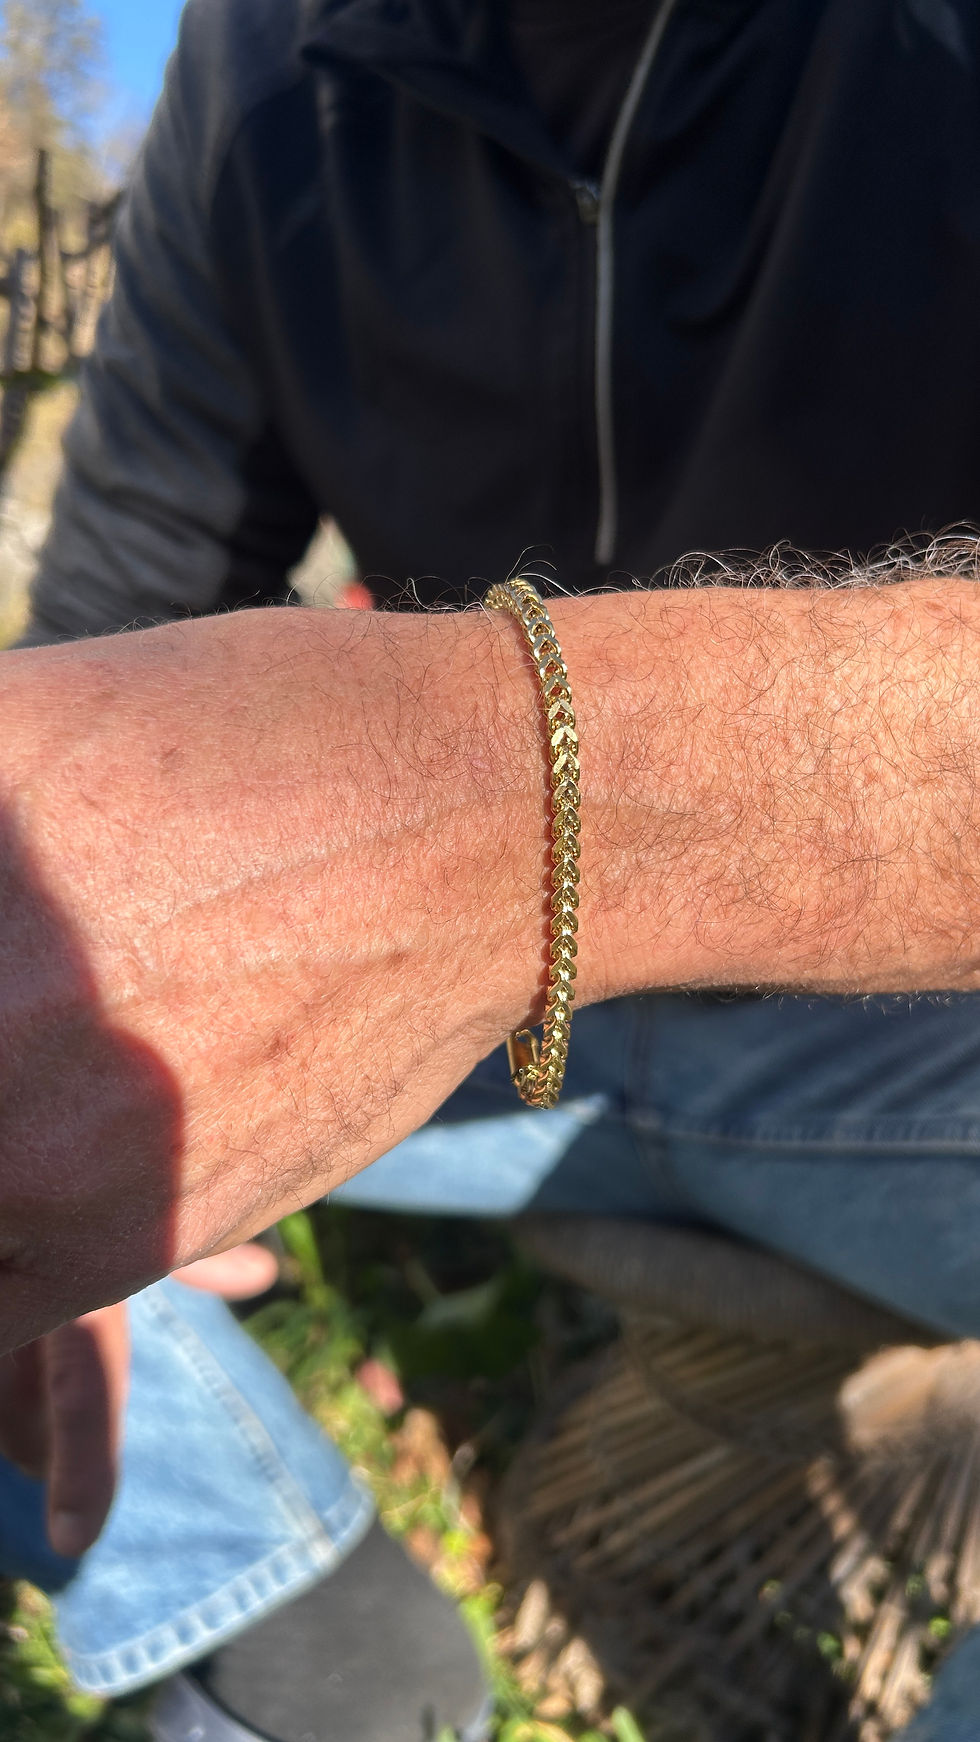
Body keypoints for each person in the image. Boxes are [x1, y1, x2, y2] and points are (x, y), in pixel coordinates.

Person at [5, 0, 980, 1736]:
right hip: (469, 1048)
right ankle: (266, 1578)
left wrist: (500, 823)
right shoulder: (252, 76)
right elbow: (117, 620)